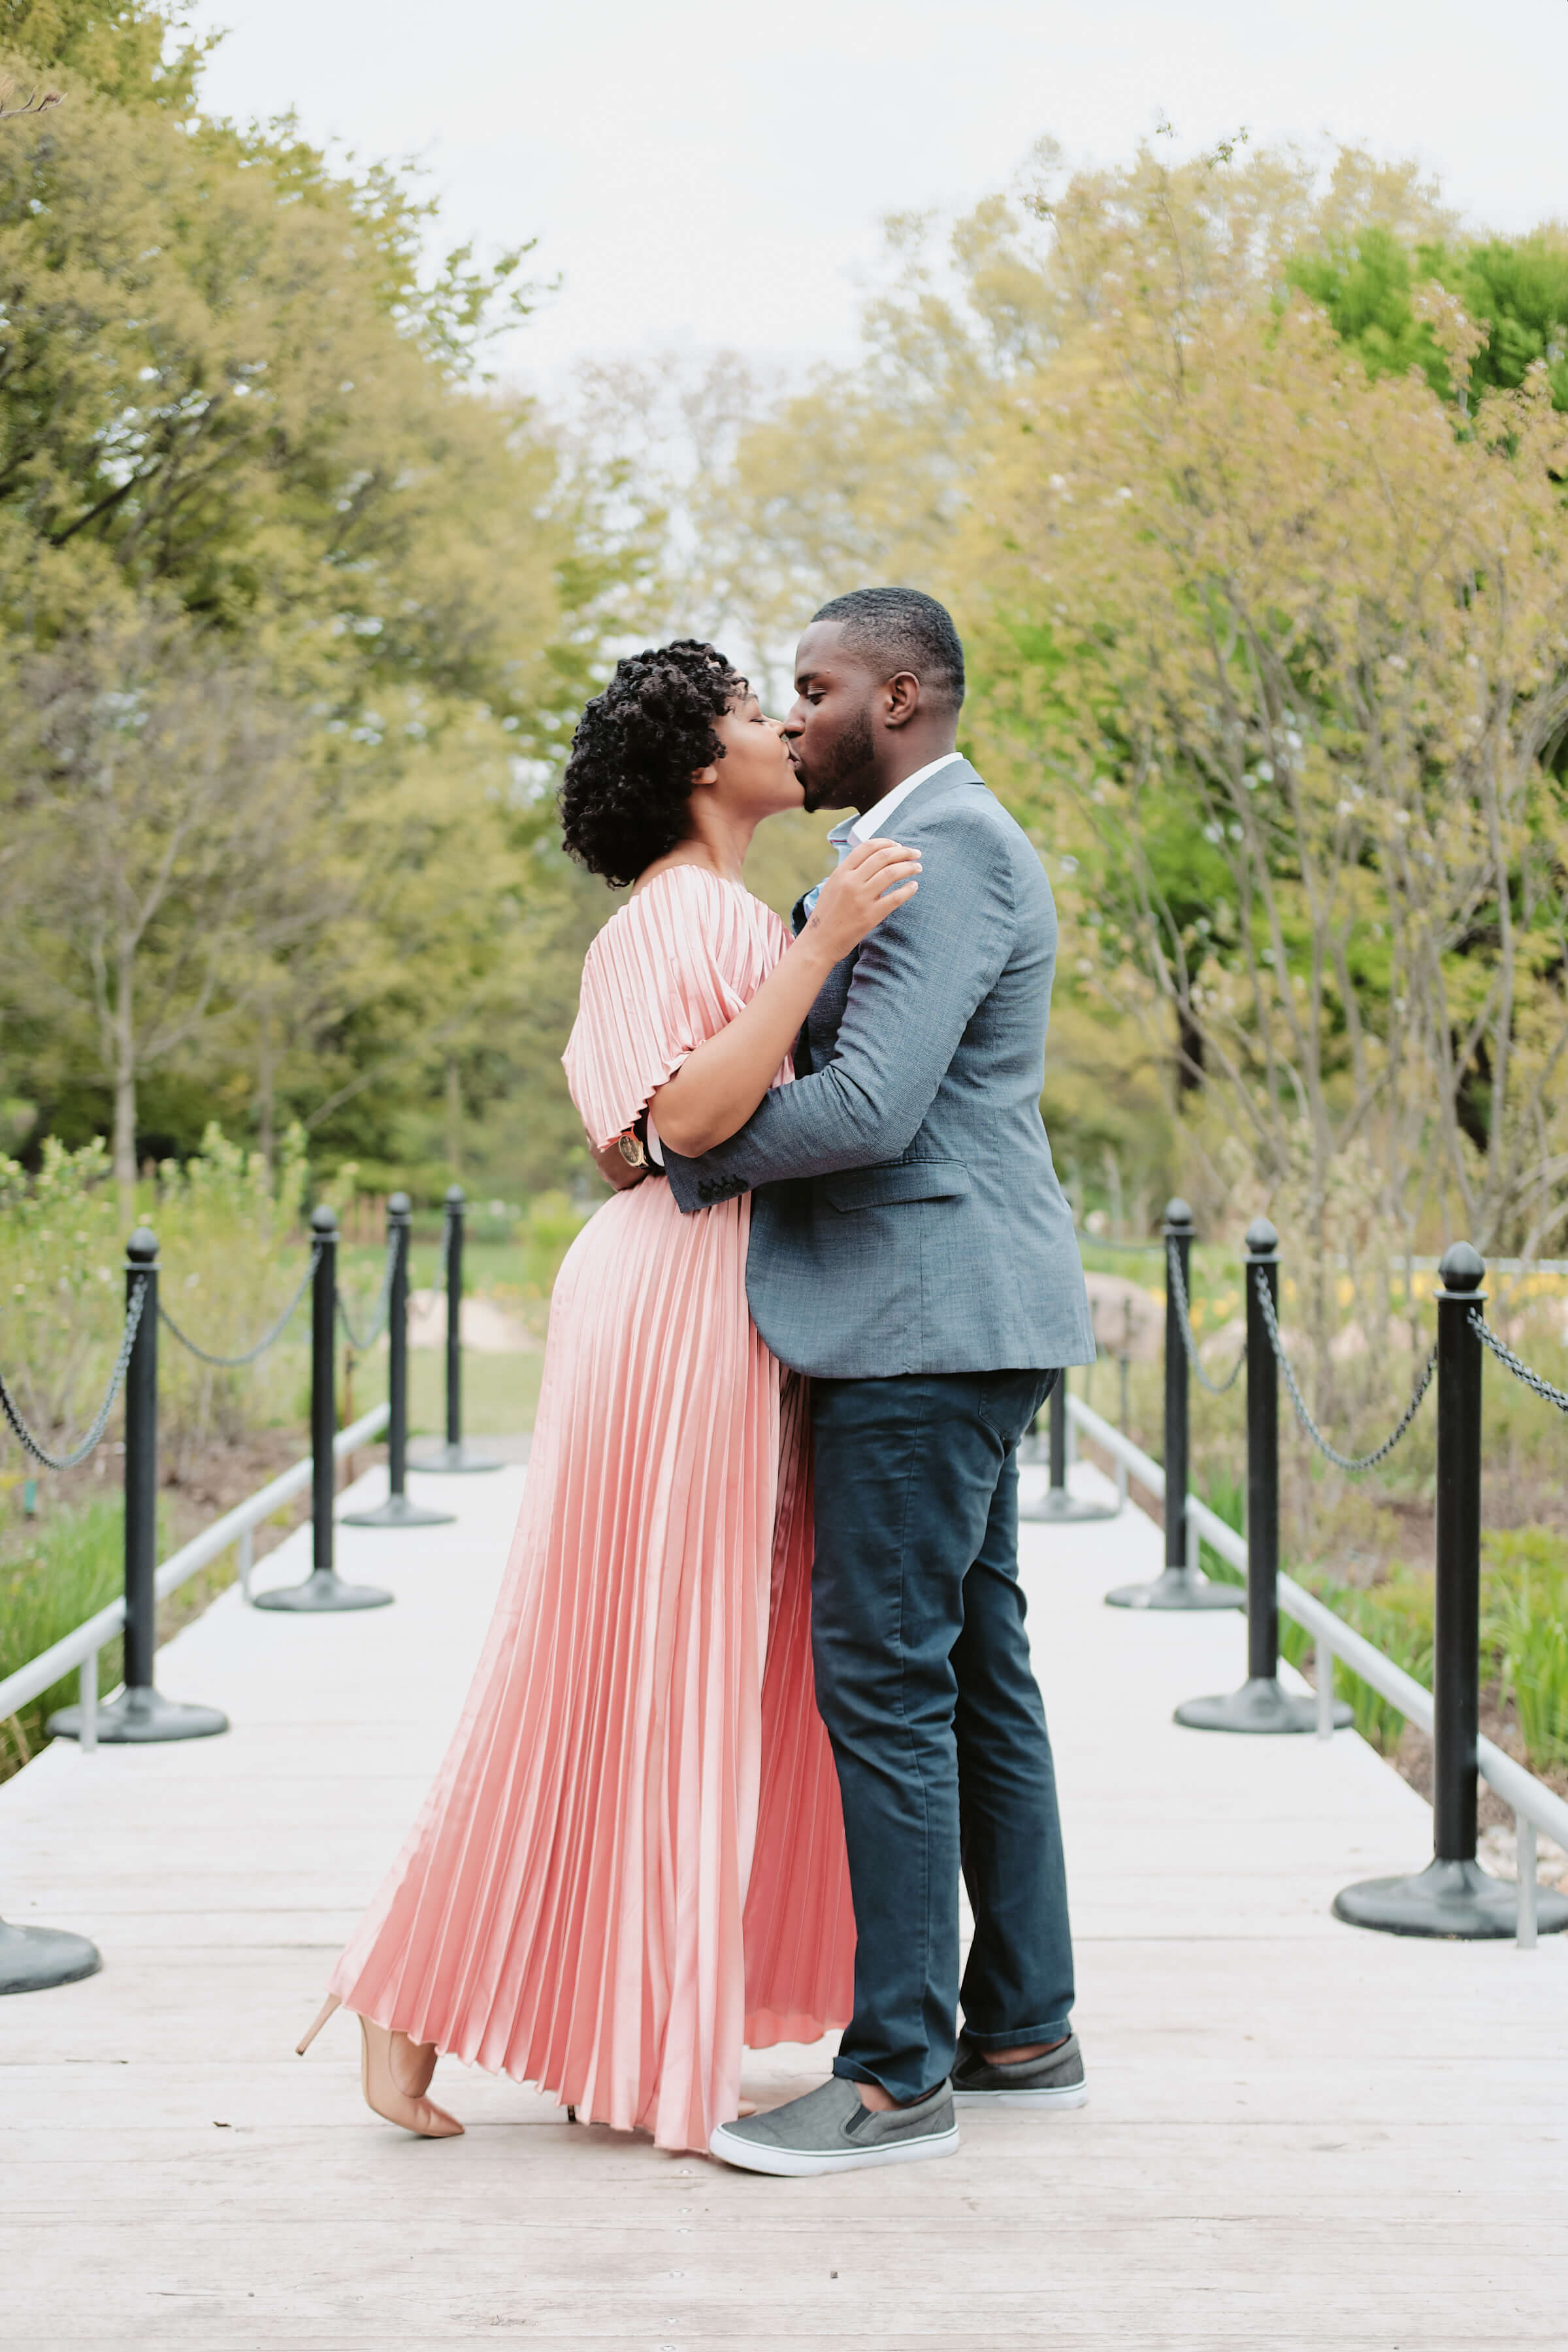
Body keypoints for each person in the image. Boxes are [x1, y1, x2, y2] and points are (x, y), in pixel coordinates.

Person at [296, 640, 921, 2153]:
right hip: (681, 1304)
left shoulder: (689, 917)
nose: (782, 728)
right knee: (627, 1660)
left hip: (693, 1293)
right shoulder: (695, 913)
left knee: (649, 1664)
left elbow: (619, 1141)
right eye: (748, 714)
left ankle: (608, 2022)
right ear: (708, 768)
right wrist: (821, 945)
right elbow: (680, 1121)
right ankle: (415, 1992)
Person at [658, 588, 1097, 2178]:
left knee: (889, 1682)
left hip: (925, 1318)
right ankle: (1025, 2023)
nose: (795, 713)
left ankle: (900, 2074)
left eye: (816, 686)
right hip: (949, 1312)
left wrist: (677, 1154)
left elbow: (868, 1106)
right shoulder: (900, 845)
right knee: (976, 1672)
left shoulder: (948, 847)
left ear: (900, 696)